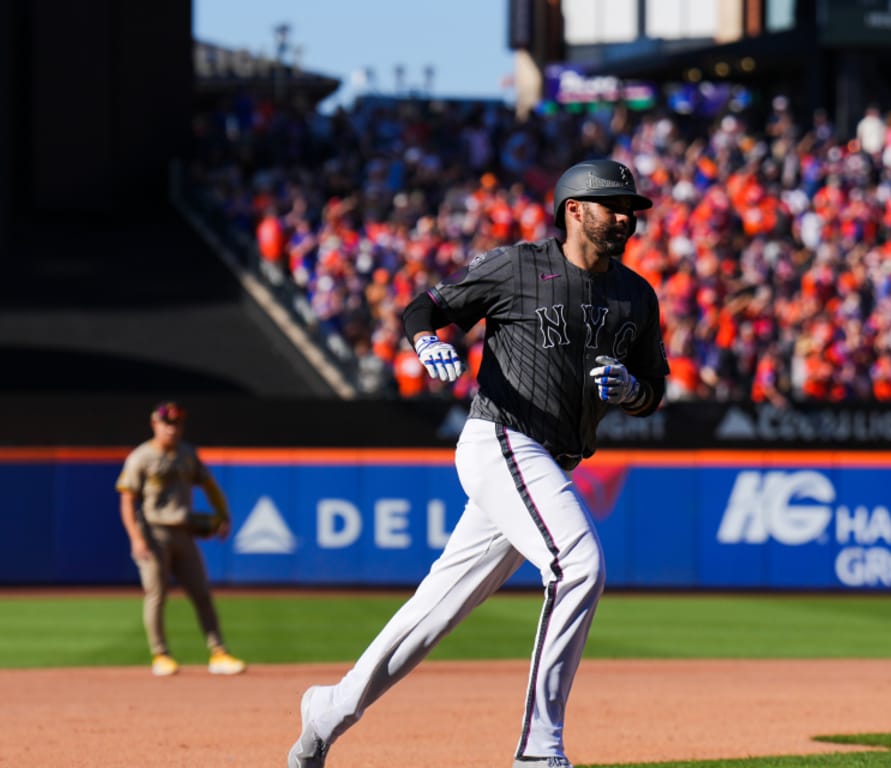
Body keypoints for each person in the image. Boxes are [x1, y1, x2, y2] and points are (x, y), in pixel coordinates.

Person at [286, 159, 669, 768]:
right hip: (502, 439)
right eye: (613, 205)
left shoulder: (635, 296)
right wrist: (429, 340)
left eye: (631, 207)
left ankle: (329, 709)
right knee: (579, 565)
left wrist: (630, 391)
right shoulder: (519, 265)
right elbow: (422, 309)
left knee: (435, 611)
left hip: (551, 462)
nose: (626, 216)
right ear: (574, 209)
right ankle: (540, 750)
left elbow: (654, 389)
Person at [116, 401, 246, 677]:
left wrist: (223, 514)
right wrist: (136, 539)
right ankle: (160, 655)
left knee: (201, 593)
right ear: (155, 425)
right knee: (157, 595)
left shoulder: (187, 454)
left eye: (177, 424)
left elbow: (209, 485)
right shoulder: (141, 457)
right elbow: (127, 500)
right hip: (154, 533)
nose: (172, 429)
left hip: (184, 532)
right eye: (167, 424)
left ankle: (219, 652)